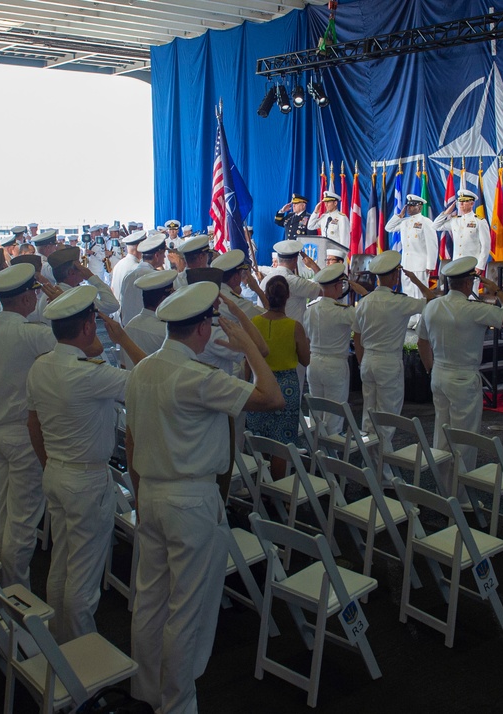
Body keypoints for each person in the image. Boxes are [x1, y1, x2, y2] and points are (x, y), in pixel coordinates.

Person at [125, 281, 284, 714]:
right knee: (187, 611)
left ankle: (147, 690)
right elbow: (273, 396)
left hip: (152, 494)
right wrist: (249, 349)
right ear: (201, 330)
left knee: (151, 601)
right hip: (190, 500)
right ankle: (177, 704)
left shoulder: (142, 370)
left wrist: (140, 498)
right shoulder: (196, 376)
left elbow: (132, 439)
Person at [26, 286, 146, 643]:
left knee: (61, 564)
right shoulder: (89, 373)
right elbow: (150, 379)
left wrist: (52, 465)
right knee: (84, 574)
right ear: (89, 327)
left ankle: (59, 642)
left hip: (56, 470)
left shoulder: (41, 365)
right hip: (86, 479)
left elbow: (33, 423)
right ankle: (81, 655)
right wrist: (123, 340)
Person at [0, 264, 56, 589]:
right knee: (21, 522)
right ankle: (14, 597)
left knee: (1, 513)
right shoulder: (33, 334)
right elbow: (84, 348)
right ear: (27, 297)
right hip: (22, 434)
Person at [418, 257, 503, 493]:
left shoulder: (432, 305)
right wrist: (495, 290)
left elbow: (423, 342)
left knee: (442, 437)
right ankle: (461, 499)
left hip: (439, 374)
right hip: (463, 378)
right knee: (464, 441)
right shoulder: (474, 309)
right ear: (468, 284)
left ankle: (444, 491)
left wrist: (430, 368)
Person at [353, 251, 437, 449]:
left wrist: (361, 361)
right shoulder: (400, 301)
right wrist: (416, 281)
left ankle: (371, 467)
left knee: (368, 417)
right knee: (387, 420)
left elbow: (357, 337)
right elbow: (433, 302)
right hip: (388, 363)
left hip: (367, 361)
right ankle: (383, 476)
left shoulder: (364, 302)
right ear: (394, 276)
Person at [246, 276, 310, 469]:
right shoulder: (294, 326)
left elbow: (247, 359)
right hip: (286, 387)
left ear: (266, 295)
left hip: (259, 382)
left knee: (260, 438)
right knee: (282, 443)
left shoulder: (254, 322)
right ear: (288, 297)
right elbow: (305, 360)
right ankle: (277, 492)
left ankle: (262, 486)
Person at [304, 263, 360, 435]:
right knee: (334, 416)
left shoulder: (310, 309)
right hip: (335, 364)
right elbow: (362, 327)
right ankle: (331, 459)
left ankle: (317, 455)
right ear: (337, 286)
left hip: (313, 363)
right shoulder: (344, 311)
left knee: (317, 414)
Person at [385, 194, 439, 301]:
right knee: (407, 293)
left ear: (419, 207)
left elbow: (432, 245)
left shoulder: (426, 222)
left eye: (412, 206)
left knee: (419, 295)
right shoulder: (405, 222)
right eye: (408, 206)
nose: (409, 208)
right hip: (406, 264)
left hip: (420, 265)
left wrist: (430, 265)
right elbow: (388, 228)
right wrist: (399, 216)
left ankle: (420, 318)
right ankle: (410, 318)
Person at [433, 189, 491, 274]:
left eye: (464, 201)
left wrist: (480, 265)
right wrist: (446, 212)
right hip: (456, 263)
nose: (461, 204)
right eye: (460, 201)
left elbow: (485, 245)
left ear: (472, 203)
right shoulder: (455, 220)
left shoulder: (479, 221)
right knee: (456, 287)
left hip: (471, 264)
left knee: (471, 287)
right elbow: (436, 226)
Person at [48, 246, 120, 314]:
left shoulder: (50, 293)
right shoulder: (79, 296)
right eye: (80, 266)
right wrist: (91, 277)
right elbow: (112, 306)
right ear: (71, 272)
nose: (84, 268)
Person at [120, 233, 168, 326]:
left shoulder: (128, 276)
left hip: (129, 329)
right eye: (163, 254)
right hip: (150, 329)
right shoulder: (157, 278)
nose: (165, 257)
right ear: (157, 255)